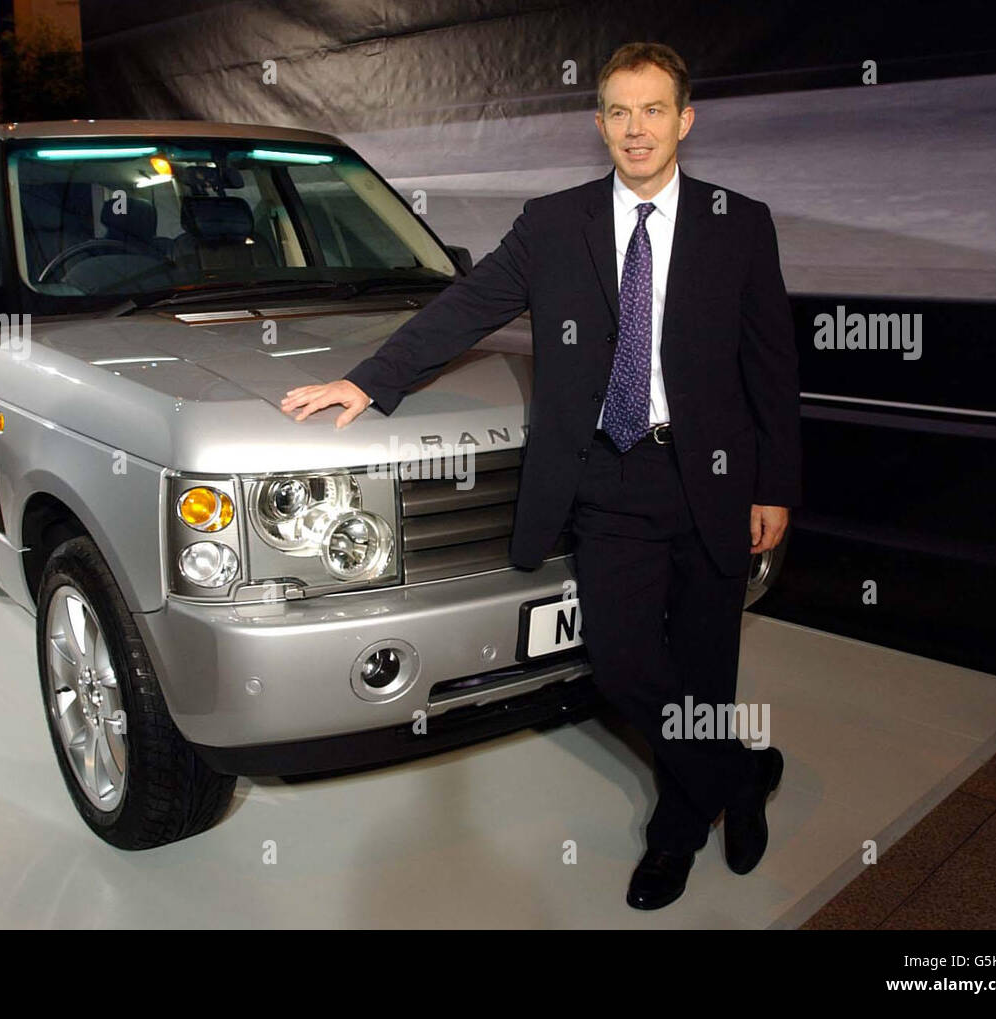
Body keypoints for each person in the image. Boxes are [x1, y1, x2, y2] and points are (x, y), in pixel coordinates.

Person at [280, 40, 800, 910]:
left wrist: (774, 483)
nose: (637, 130)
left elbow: (771, 366)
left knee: (709, 671)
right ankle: (743, 774)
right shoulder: (554, 223)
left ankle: (679, 827)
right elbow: (467, 306)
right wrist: (370, 380)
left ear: (686, 120)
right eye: (620, 113)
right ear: (599, 124)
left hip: (713, 476)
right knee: (624, 658)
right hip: (609, 475)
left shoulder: (738, 222)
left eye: (654, 110)